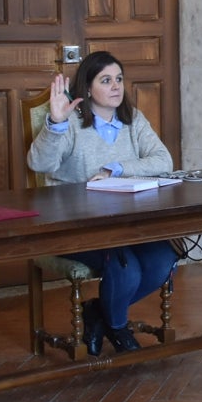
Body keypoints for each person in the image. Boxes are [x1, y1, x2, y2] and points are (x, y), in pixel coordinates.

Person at [27, 51, 177, 355]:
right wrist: (55, 122)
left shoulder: (133, 120)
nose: (116, 87)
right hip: (75, 224)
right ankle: (118, 328)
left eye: (119, 79)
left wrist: (117, 168)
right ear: (87, 87)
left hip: (127, 222)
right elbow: (38, 163)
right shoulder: (68, 123)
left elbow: (164, 160)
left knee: (163, 259)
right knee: (127, 267)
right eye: (105, 80)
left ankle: (97, 313)